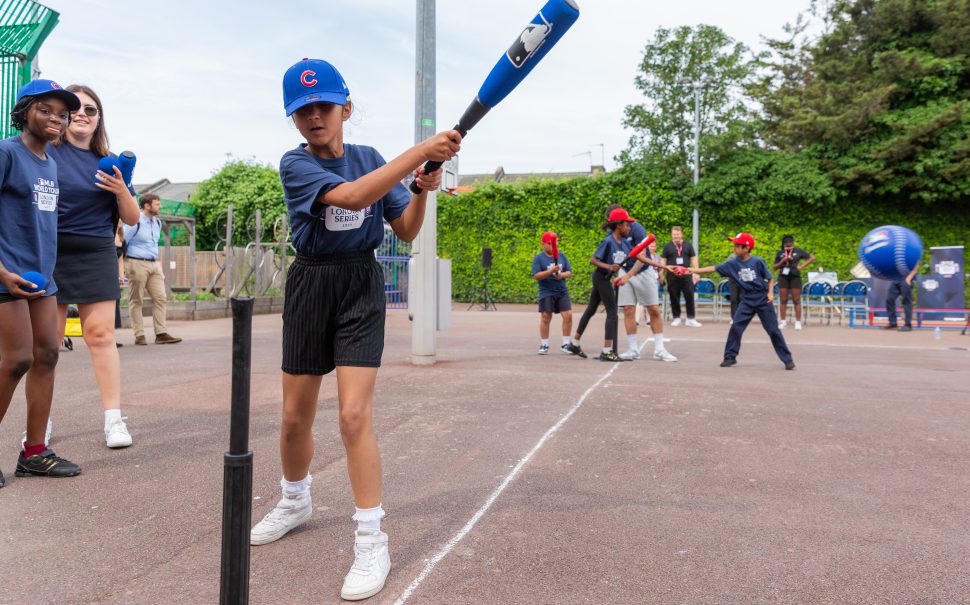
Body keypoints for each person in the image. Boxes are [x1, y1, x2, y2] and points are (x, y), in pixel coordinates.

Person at [248, 58, 460, 602]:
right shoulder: (295, 165)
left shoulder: (369, 159)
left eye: (325, 106)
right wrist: (419, 152)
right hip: (311, 285)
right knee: (295, 416)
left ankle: (371, 537)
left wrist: (422, 187)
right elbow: (351, 198)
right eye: (303, 110)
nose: (315, 117)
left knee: (352, 414)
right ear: (292, 119)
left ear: (346, 107)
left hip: (361, 287)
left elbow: (407, 231)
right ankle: (296, 499)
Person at [48, 84, 141, 450]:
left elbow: (130, 218)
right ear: (64, 116)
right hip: (50, 254)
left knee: (100, 336)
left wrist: (121, 189)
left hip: (97, 252)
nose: (83, 114)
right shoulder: (46, 154)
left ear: (99, 118)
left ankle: (113, 420)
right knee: (48, 347)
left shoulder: (112, 160)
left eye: (91, 108)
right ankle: (41, 423)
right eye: (76, 109)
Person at [0, 79, 83, 487]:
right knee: (16, 360)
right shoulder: (5, 153)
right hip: (6, 274)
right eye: (45, 110)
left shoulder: (51, 163)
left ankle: (34, 452)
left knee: (47, 355)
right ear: (24, 111)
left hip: (41, 278)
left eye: (63, 113)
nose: (56, 118)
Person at [687, 232, 795, 370]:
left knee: (773, 330)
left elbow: (770, 278)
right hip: (747, 299)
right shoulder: (732, 263)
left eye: (737, 246)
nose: (734, 248)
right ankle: (730, 357)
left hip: (762, 299)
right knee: (736, 326)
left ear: (746, 248)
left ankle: (787, 359)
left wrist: (770, 294)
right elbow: (713, 268)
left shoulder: (758, 261)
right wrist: (692, 270)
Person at [565, 207, 634, 362]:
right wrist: (609, 267)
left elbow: (637, 255)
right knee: (612, 313)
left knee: (591, 309)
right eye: (627, 225)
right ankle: (607, 351)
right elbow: (593, 260)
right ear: (618, 225)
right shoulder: (608, 241)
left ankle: (574, 343)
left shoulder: (623, 243)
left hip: (605, 278)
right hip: (600, 277)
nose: (629, 228)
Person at [610, 211, 678, 362]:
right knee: (628, 309)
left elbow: (642, 257)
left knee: (653, 308)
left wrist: (629, 275)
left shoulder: (637, 229)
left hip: (643, 270)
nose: (628, 224)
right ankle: (633, 349)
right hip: (624, 270)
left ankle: (659, 349)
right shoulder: (612, 233)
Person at [123, 193, 181, 346]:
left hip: (154, 264)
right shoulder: (135, 221)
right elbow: (122, 241)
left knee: (161, 297)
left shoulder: (157, 223)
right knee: (136, 300)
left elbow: (153, 243)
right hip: (136, 263)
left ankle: (161, 333)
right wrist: (121, 266)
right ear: (147, 206)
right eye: (157, 203)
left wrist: (156, 261)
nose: (160, 206)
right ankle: (139, 335)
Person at [531, 231, 573, 354]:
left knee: (568, 315)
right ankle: (544, 345)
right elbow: (536, 276)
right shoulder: (538, 258)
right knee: (545, 318)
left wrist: (561, 275)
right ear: (543, 244)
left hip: (561, 291)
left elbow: (569, 272)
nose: (553, 246)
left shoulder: (563, 256)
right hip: (546, 292)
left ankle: (566, 344)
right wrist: (550, 271)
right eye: (550, 243)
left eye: (555, 243)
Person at [660, 226, 702, 327]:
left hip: (686, 275)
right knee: (674, 297)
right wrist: (661, 273)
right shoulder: (667, 246)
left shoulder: (688, 245)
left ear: (681, 234)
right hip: (672, 276)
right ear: (672, 235)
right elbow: (663, 261)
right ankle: (676, 318)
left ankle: (690, 318)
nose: (676, 237)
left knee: (689, 296)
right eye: (674, 235)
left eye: (677, 235)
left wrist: (697, 272)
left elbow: (694, 259)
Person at [772, 234, 815, 330]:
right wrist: (783, 260)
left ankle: (798, 322)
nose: (788, 247)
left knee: (796, 300)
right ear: (783, 245)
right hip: (783, 277)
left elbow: (812, 257)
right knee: (783, 300)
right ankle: (783, 322)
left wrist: (802, 266)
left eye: (790, 245)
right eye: (786, 246)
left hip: (795, 276)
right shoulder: (780, 253)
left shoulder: (798, 251)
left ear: (793, 244)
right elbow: (775, 267)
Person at [885, 264, 919, 332]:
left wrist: (909, 278)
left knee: (906, 301)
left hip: (906, 278)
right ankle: (893, 323)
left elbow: (916, 264)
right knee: (889, 299)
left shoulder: (912, 253)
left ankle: (908, 325)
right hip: (896, 278)